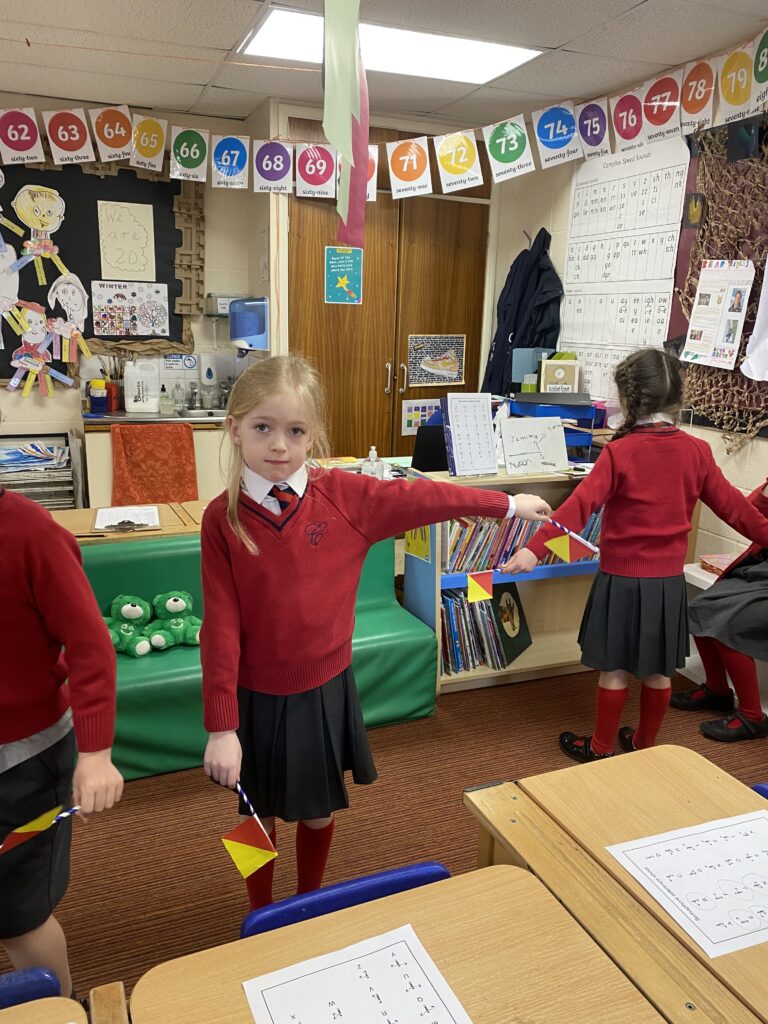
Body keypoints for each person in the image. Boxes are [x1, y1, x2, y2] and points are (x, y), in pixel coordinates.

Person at [200, 354, 552, 909]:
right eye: (262, 427)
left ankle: (305, 904)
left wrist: (504, 504)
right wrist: (222, 727)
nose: (278, 445)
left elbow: (425, 498)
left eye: (295, 431)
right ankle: (261, 909)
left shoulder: (344, 495)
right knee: (255, 814)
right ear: (235, 429)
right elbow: (219, 624)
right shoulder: (223, 518)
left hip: (321, 688)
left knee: (317, 810)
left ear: (313, 437)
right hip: (254, 695)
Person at [501, 348, 768, 763]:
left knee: (614, 669)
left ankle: (600, 747)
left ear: (627, 399)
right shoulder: (696, 451)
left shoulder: (619, 452)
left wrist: (533, 551)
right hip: (666, 585)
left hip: (621, 581)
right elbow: (737, 510)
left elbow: (578, 507)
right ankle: (644, 746)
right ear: (678, 397)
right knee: (659, 673)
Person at [0, 487, 123, 999]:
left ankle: (61, 1010)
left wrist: (95, 754)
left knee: (19, 918)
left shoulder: (31, 533)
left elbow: (91, 645)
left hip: (23, 763)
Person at [670, 478, 768, 742]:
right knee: (700, 607)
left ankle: (753, 717)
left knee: (730, 623)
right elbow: (750, 514)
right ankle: (717, 691)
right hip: (759, 572)